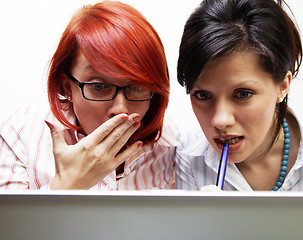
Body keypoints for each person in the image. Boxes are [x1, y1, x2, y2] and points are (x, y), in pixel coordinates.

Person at [175, 0, 303, 191]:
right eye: (203, 95)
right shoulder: (187, 159)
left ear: (282, 86)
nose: (221, 121)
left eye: (243, 94)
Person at [0, 1, 179, 190]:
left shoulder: (169, 144)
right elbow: (9, 220)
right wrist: (67, 187)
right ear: (66, 87)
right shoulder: (24, 132)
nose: (120, 109)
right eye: (99, 86)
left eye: (137, 87)